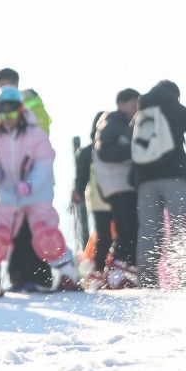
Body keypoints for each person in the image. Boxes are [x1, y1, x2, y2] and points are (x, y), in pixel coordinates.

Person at [0, 87, 78, 296]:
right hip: (8, 193)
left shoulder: (35, 134)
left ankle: (68, 273)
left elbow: (44, 162)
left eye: (12, 113)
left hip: (36, 193)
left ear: (20, 110)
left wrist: (29, 184)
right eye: (4, 113)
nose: (8, 118)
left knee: (44, 231)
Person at [132, 80, 186, 288]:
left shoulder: (142, 112)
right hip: (173, 179)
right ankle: (184, 275)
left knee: (149, 230)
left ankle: (148, 278)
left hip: (145, 181)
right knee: (179, 227)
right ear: (174, 94)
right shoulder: (171, 105)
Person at [0, 68, 54, 290]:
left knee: (34, 228)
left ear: (14, 83)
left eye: (3, 86)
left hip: (33, 180)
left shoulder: (31, 105)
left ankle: (38, 277)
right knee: (17, 230)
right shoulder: (6, 110)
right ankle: (19, 277)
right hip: (13, 182)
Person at [94, 88, 141, 289]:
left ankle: (123, 269)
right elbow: (105, 151)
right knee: (126, 228)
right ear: (121, 104)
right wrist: (135, 149)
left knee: (128, 227)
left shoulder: (120, 124)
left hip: (119, 184)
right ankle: (118, 269)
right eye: (133, 106)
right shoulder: (113, 123)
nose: (136, 110)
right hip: (118, 184)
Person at [74, 112, 113, 283]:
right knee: (108, 236)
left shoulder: (86, 151)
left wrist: (78, 191)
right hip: (108, 199)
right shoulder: (90, 151)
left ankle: (99, 270)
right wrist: (78, 190)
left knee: (103, 236)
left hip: (98, 200)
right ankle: (101, 270)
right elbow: (82, 177)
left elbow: (81, 178)